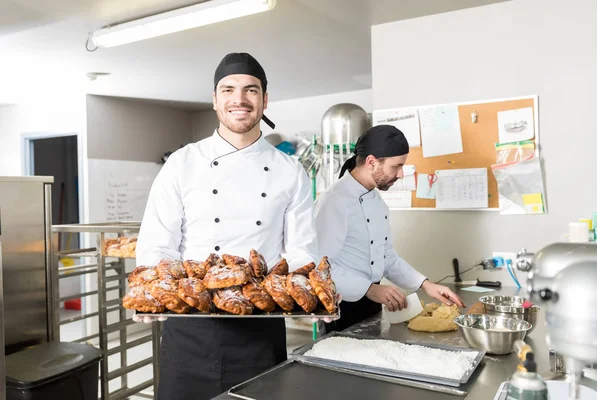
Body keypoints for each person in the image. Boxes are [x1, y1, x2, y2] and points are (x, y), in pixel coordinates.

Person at [134, 52, 319, 400]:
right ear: (215, 100)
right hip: (189, 326)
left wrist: (305, 295)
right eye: (228, 89)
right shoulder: (182, 163)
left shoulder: (290, 170)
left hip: (260, 328)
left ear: (265, 100)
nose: (240, 99)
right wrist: (152, 291)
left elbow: (301, 249)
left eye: (251, 90)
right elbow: (159, 243)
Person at [313, 124, 465, 333]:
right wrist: (369, 289)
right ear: (371, 162)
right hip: (340, 303)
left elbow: (387, 258)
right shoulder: (334, 200)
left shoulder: (376, 200)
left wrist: (426, 284)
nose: (401, 174)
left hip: (371, 301)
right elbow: (320, 266)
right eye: (396, 166)